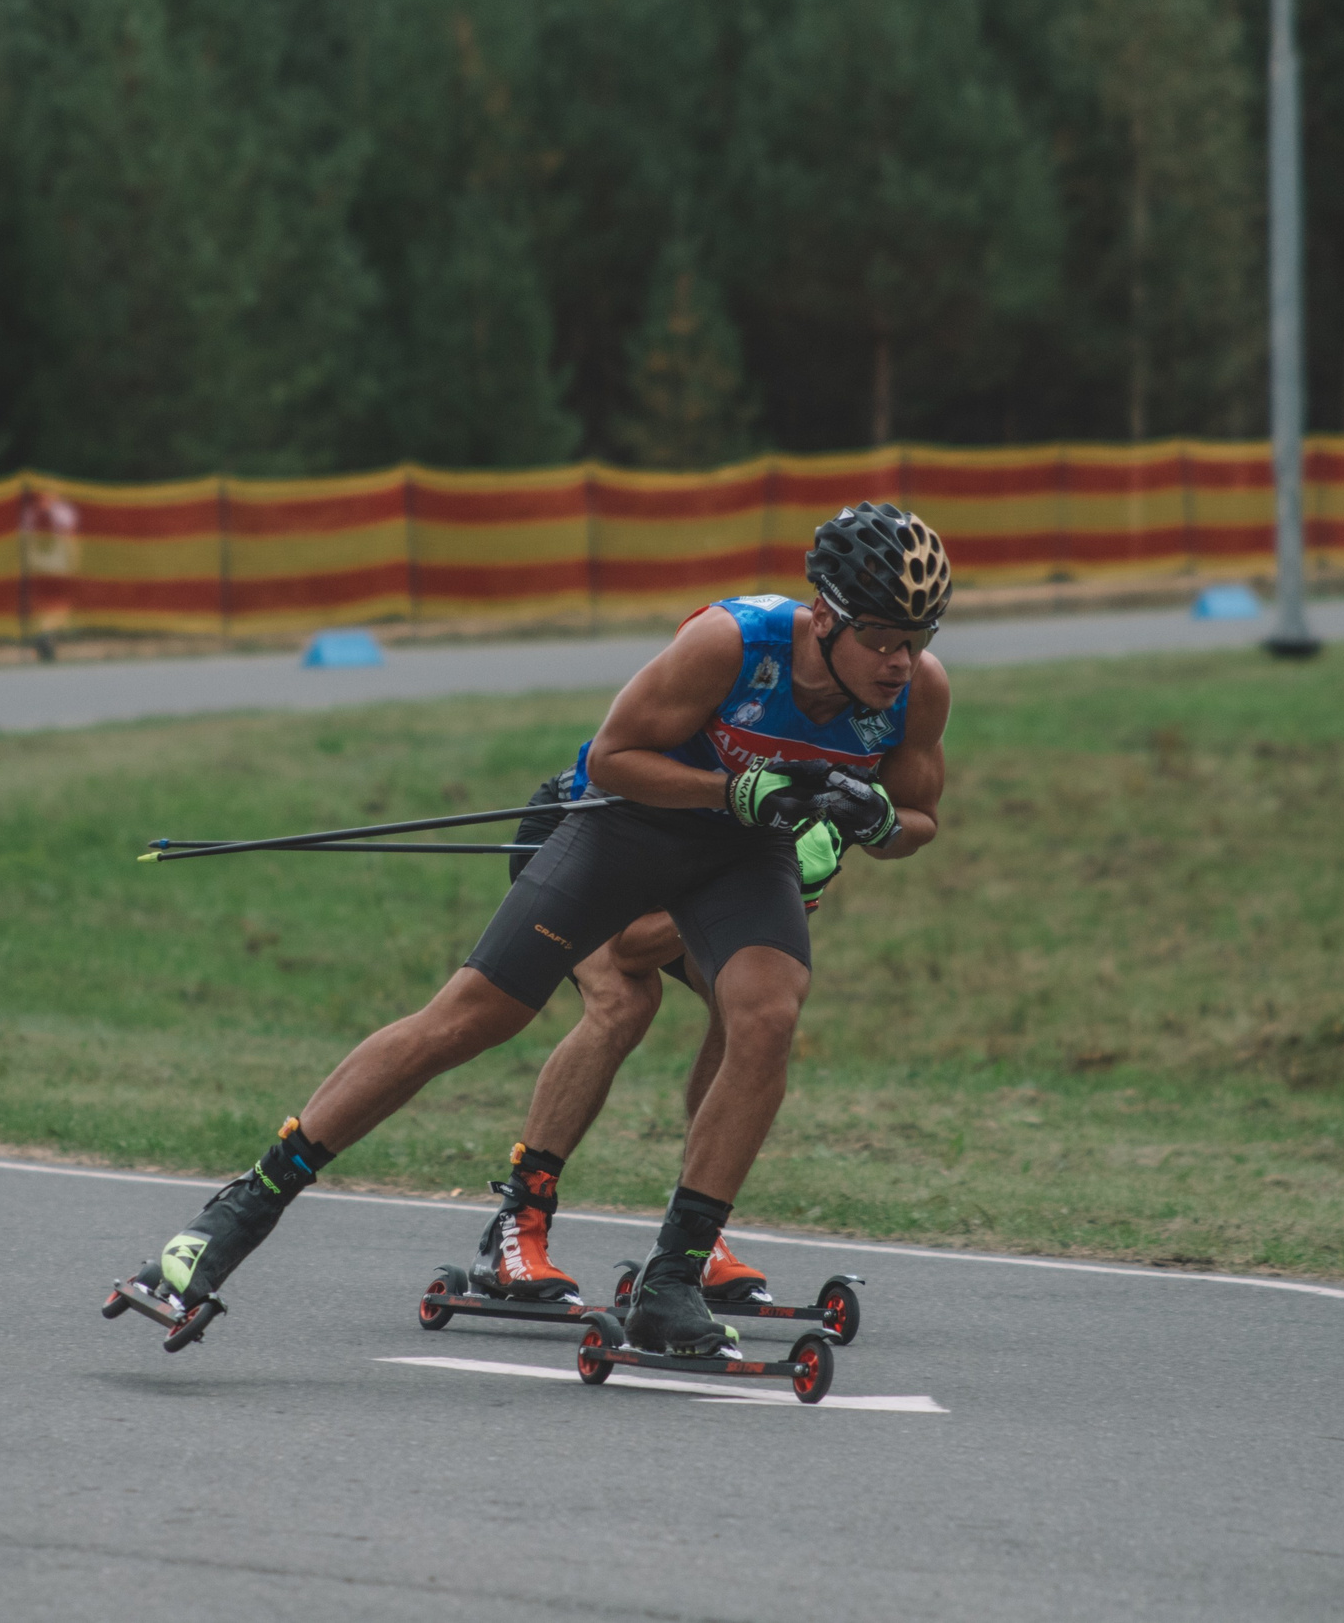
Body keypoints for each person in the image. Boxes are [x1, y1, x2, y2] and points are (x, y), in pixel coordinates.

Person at [123, 503, 953, 1357]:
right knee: (473, 1016)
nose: (900, 660)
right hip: (631, 825)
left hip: (745, 854)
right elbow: (614, 757)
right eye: (881, 636)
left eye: (917, 637)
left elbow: (920, 816)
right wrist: (729, 789)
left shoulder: (918, 691)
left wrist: (876, 821)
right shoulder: (732, 645)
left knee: (767, 1013)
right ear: (825, 616)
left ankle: (674, 1277)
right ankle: (235, 1215)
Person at [465, 778, 849, 1307]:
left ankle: (690, 1238)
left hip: (717, 845)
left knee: (746, 1006)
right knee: (624, 1000)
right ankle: (518, 1224)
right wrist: (713, 897)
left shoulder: (825, 810)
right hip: (601, 827)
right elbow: (629, 950)